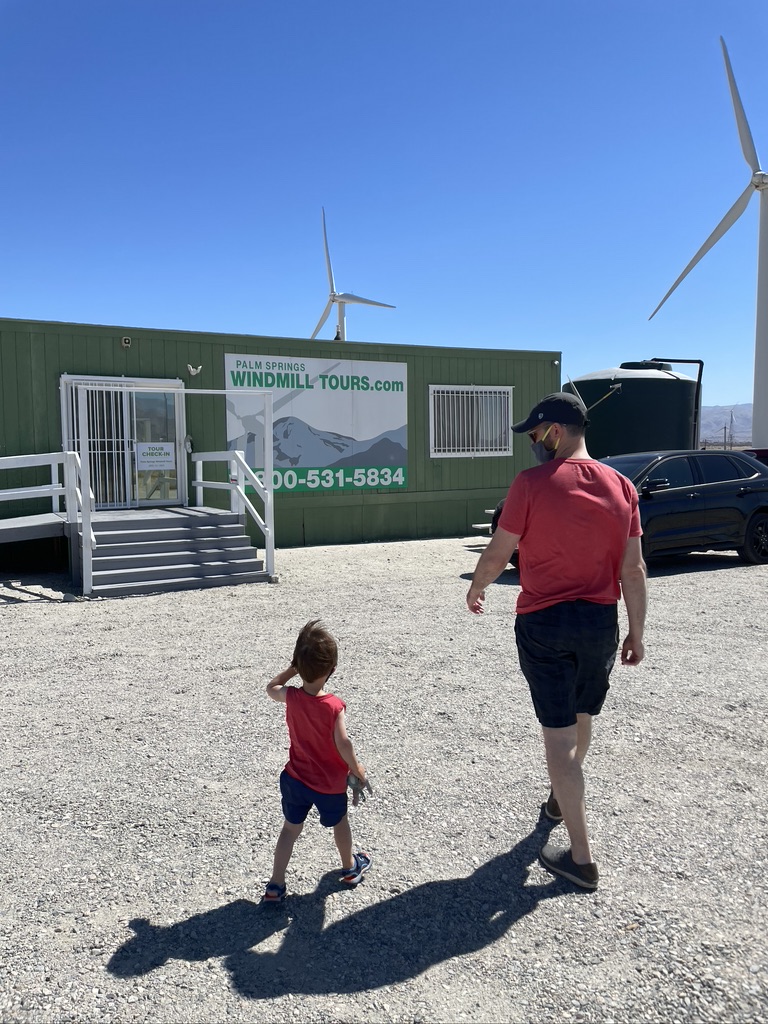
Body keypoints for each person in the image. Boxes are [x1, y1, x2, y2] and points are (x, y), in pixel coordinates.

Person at [466, 392, 647, 891]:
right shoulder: (623, 487)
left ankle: (581, 859)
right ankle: (557, 797)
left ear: (555, 431)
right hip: (599, 623)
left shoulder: (531, 484)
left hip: (545, 623)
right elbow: (632, 568)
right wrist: (636, 630)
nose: (531, 441)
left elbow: (499, 550)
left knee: (559, 738)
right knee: (581, 716)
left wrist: (477, 586)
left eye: (534, 433)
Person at [263, 619, 372, 902]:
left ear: (299, 665)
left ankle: (275, 885)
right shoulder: (334, 705)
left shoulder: (291, 697)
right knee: (340, 823)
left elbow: (271, 687)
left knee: (290, 829)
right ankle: (349, 867)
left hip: (296, 778)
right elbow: (343, 742)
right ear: (332, 670)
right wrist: (355, 767)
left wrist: (292, 668)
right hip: (329, 784)